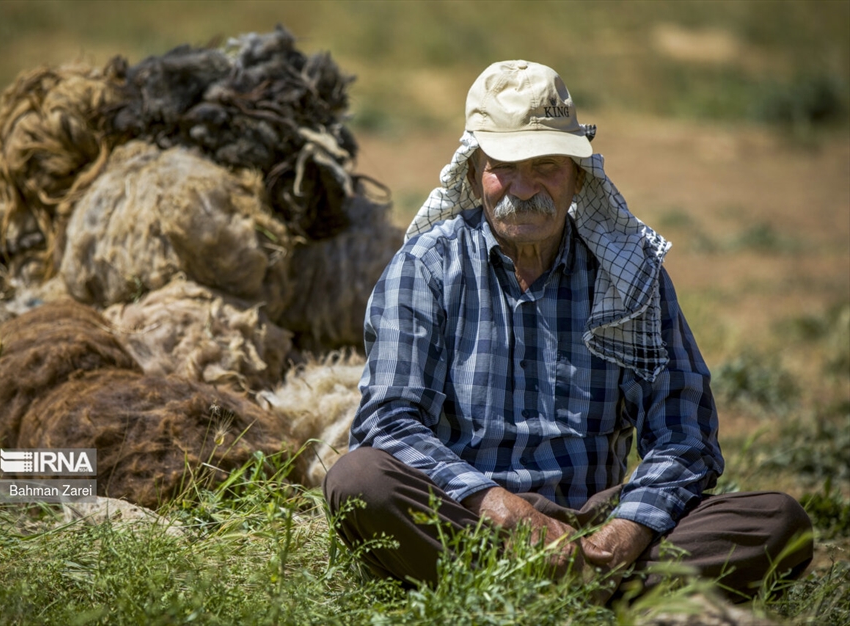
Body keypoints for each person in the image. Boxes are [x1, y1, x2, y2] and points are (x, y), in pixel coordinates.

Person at [323, 60, 814, 603]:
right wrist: (499, 508)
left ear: (578, 176)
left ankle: (552, 586)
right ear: (473, 173)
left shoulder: (628, 273)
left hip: (598, 524)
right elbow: (388, 422)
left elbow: (684, 435)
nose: (524, 186)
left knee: (777, 520)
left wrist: (628, 529)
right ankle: (598, 596)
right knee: (359, 481)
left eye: (547, 166)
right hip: (471, 522)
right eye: (503, 165)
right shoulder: (427, 267)